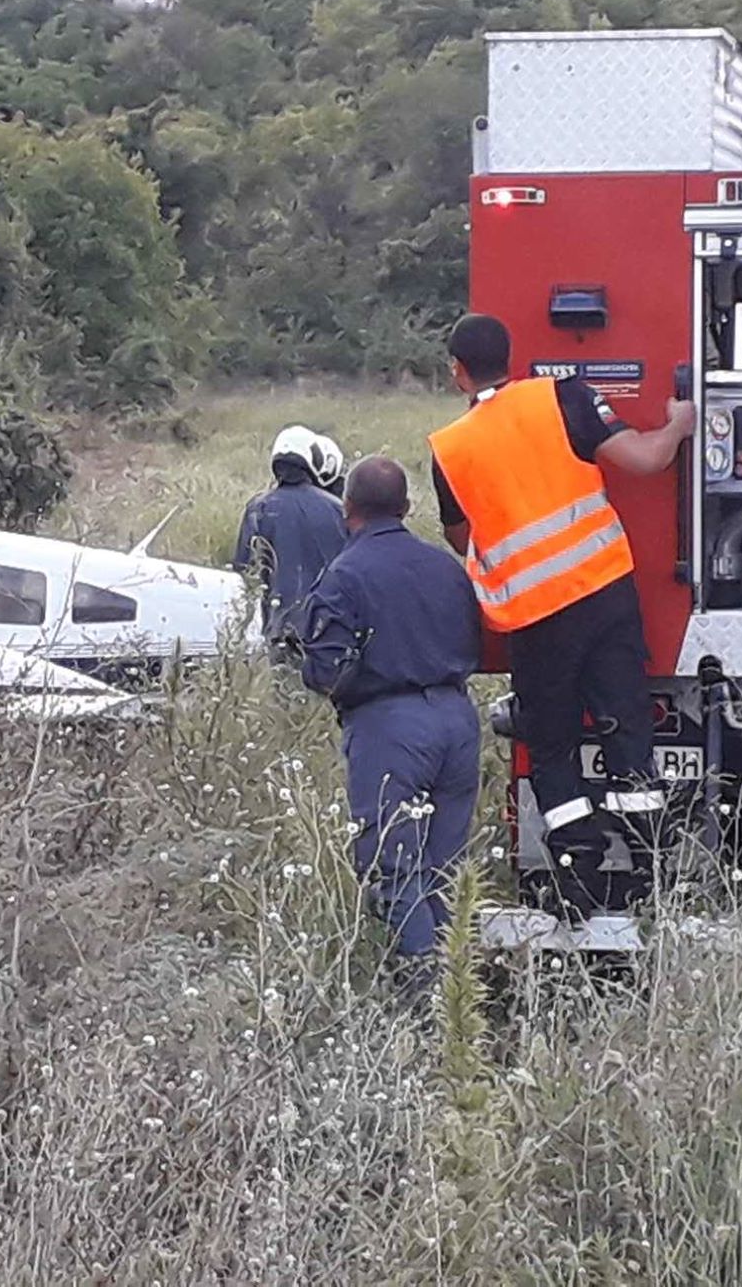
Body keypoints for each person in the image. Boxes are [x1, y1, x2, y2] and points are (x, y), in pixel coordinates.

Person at [428, 314, 696, 918]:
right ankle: (650, 873)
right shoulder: (564, 395)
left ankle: (578, 873)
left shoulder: (450, 450)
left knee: (549, 747)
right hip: (604, 594)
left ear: (457, 373)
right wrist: (678, 425)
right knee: (627, 730)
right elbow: (648, 460)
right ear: (512, 356)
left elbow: (461, 535)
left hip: (536, 617)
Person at [297, 456, 482, 988]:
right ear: (405, 507)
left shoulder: (345, 574)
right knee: (446, 871)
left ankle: (426, 1000)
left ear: (347, 508)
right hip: (456, 718)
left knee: (394, 867)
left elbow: (326, 669)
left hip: (390, 726)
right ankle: (459, 992)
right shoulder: (446, 567)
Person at [233, 424, 349, 650]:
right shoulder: (338, 509)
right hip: (329, 628)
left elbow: (244, 572)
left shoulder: (258, 508)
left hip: (276, 628)